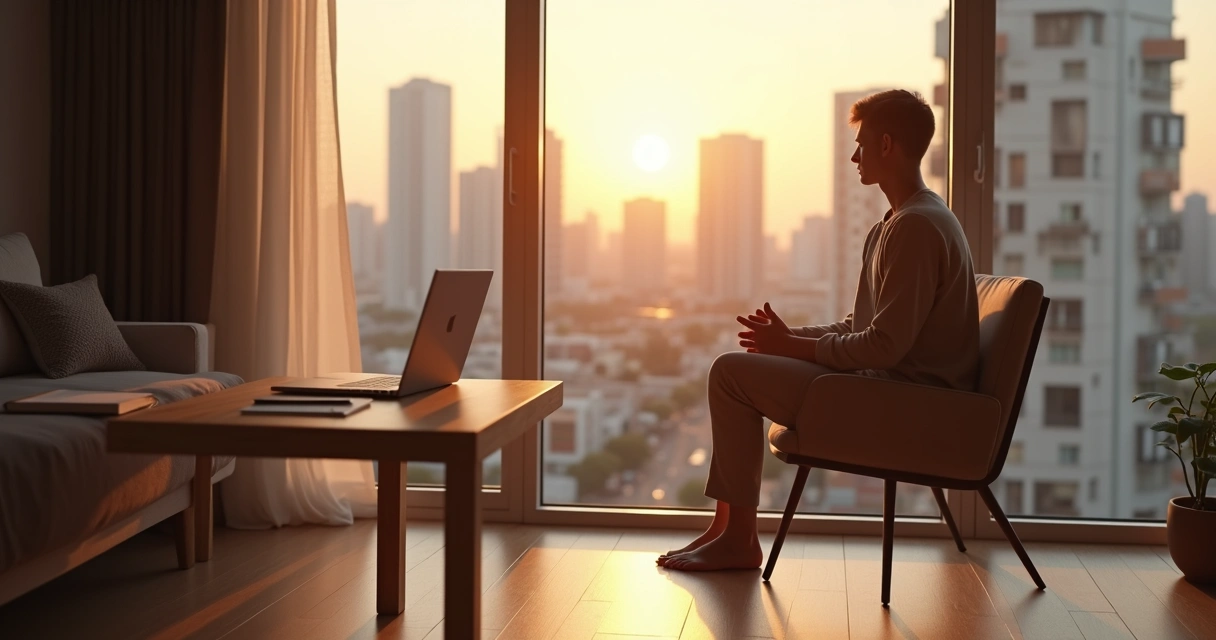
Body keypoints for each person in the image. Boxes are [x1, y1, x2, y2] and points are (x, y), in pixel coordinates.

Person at [658, 89, 981, 572]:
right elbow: (860, 326)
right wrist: (789, 339)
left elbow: (885, 347)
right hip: (892, 388)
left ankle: (739, 539)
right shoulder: (897, 223)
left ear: (887, 145)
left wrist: (789, 346)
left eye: (862, 143)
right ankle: (726, 530)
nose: (854, 156)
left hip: (911, 403)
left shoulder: (917, 228)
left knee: (730, 375)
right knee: (739, 370)